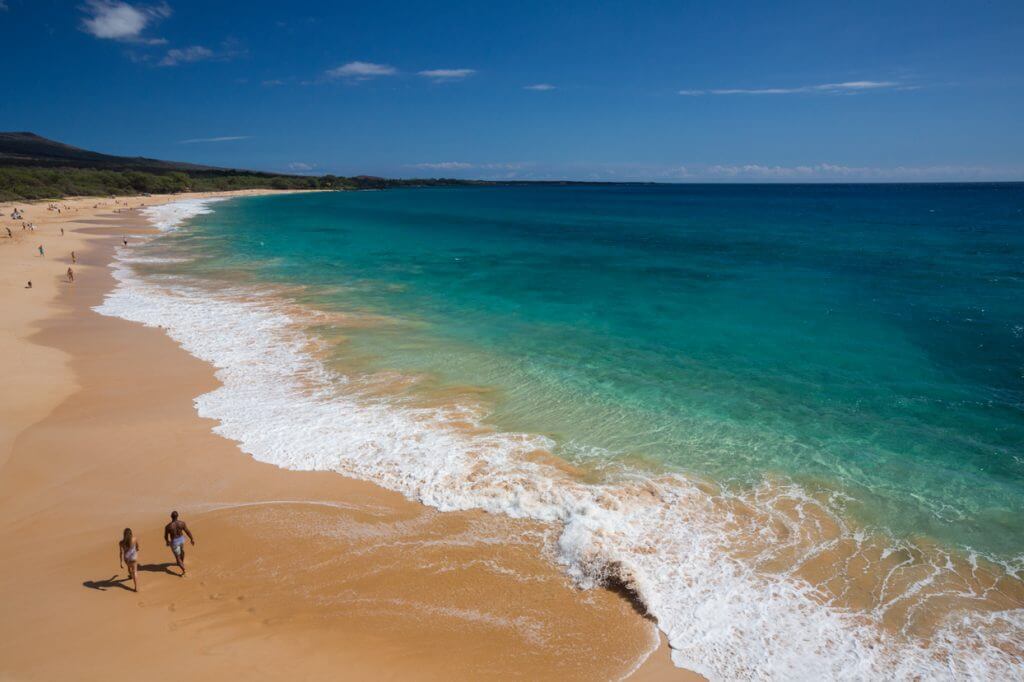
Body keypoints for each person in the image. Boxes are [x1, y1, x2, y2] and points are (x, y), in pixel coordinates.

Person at [164, 511, 195, 575]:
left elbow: (166, 536)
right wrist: (192, 539)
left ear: (171, 517)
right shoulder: (182, 523)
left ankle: (184, 570)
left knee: (177, 557)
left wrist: (167, 542)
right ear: (177, 516)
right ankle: (182, 562)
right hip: (181, 539)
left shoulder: (168, 526)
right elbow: (187, 531)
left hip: (175, 542)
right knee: (182, 551)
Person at [119, 528, 141, 592]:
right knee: (135, 571)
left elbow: (121, 553)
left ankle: (131, 575)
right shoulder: (134, 539)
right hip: (134, 557)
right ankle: (136, 587)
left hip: (127, 557)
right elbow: (138, 547)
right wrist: (137, 549)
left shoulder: (121, 542)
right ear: (131, 533)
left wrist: (121, 562)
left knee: (129, 567)